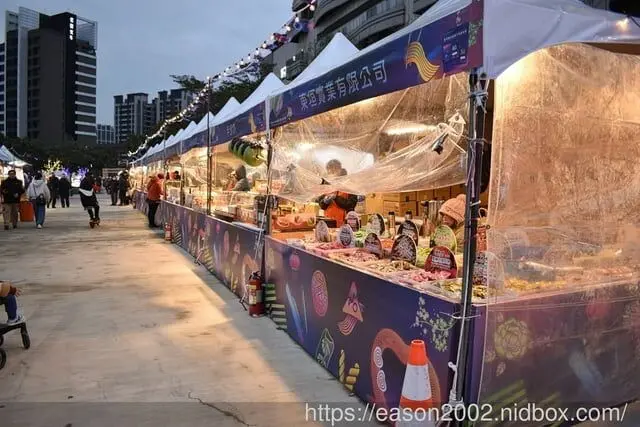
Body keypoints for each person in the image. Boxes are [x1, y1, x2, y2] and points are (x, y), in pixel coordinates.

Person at [317, 160, 357, 227]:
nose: (332, 171)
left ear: (340, 169)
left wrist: (336, 198)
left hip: (345, 223)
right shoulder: (325, 184)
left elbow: (351, 204)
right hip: (328, 222)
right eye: (329, 169)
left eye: (335, 169)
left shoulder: (349, 184)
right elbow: (322, 206)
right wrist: (325, 201)